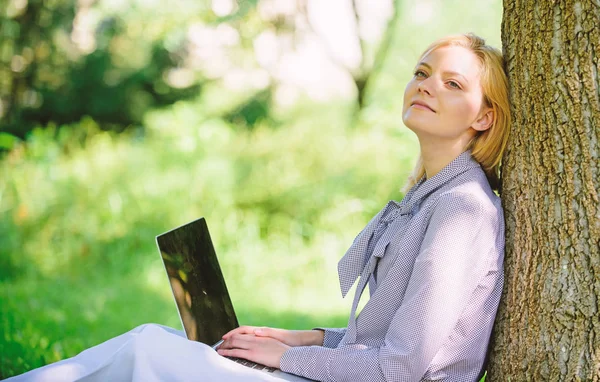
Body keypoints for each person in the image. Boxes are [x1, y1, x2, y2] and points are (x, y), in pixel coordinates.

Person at [6, 32, 509, 382]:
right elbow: (379, 347)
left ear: (485, 117)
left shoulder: (461, 212)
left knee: (148, 353)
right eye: (422, 71)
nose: (426, 84)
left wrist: (287, 357)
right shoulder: (429, 200)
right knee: (159, 336)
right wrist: (300, 338)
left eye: (453, 83)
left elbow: (397, 369)